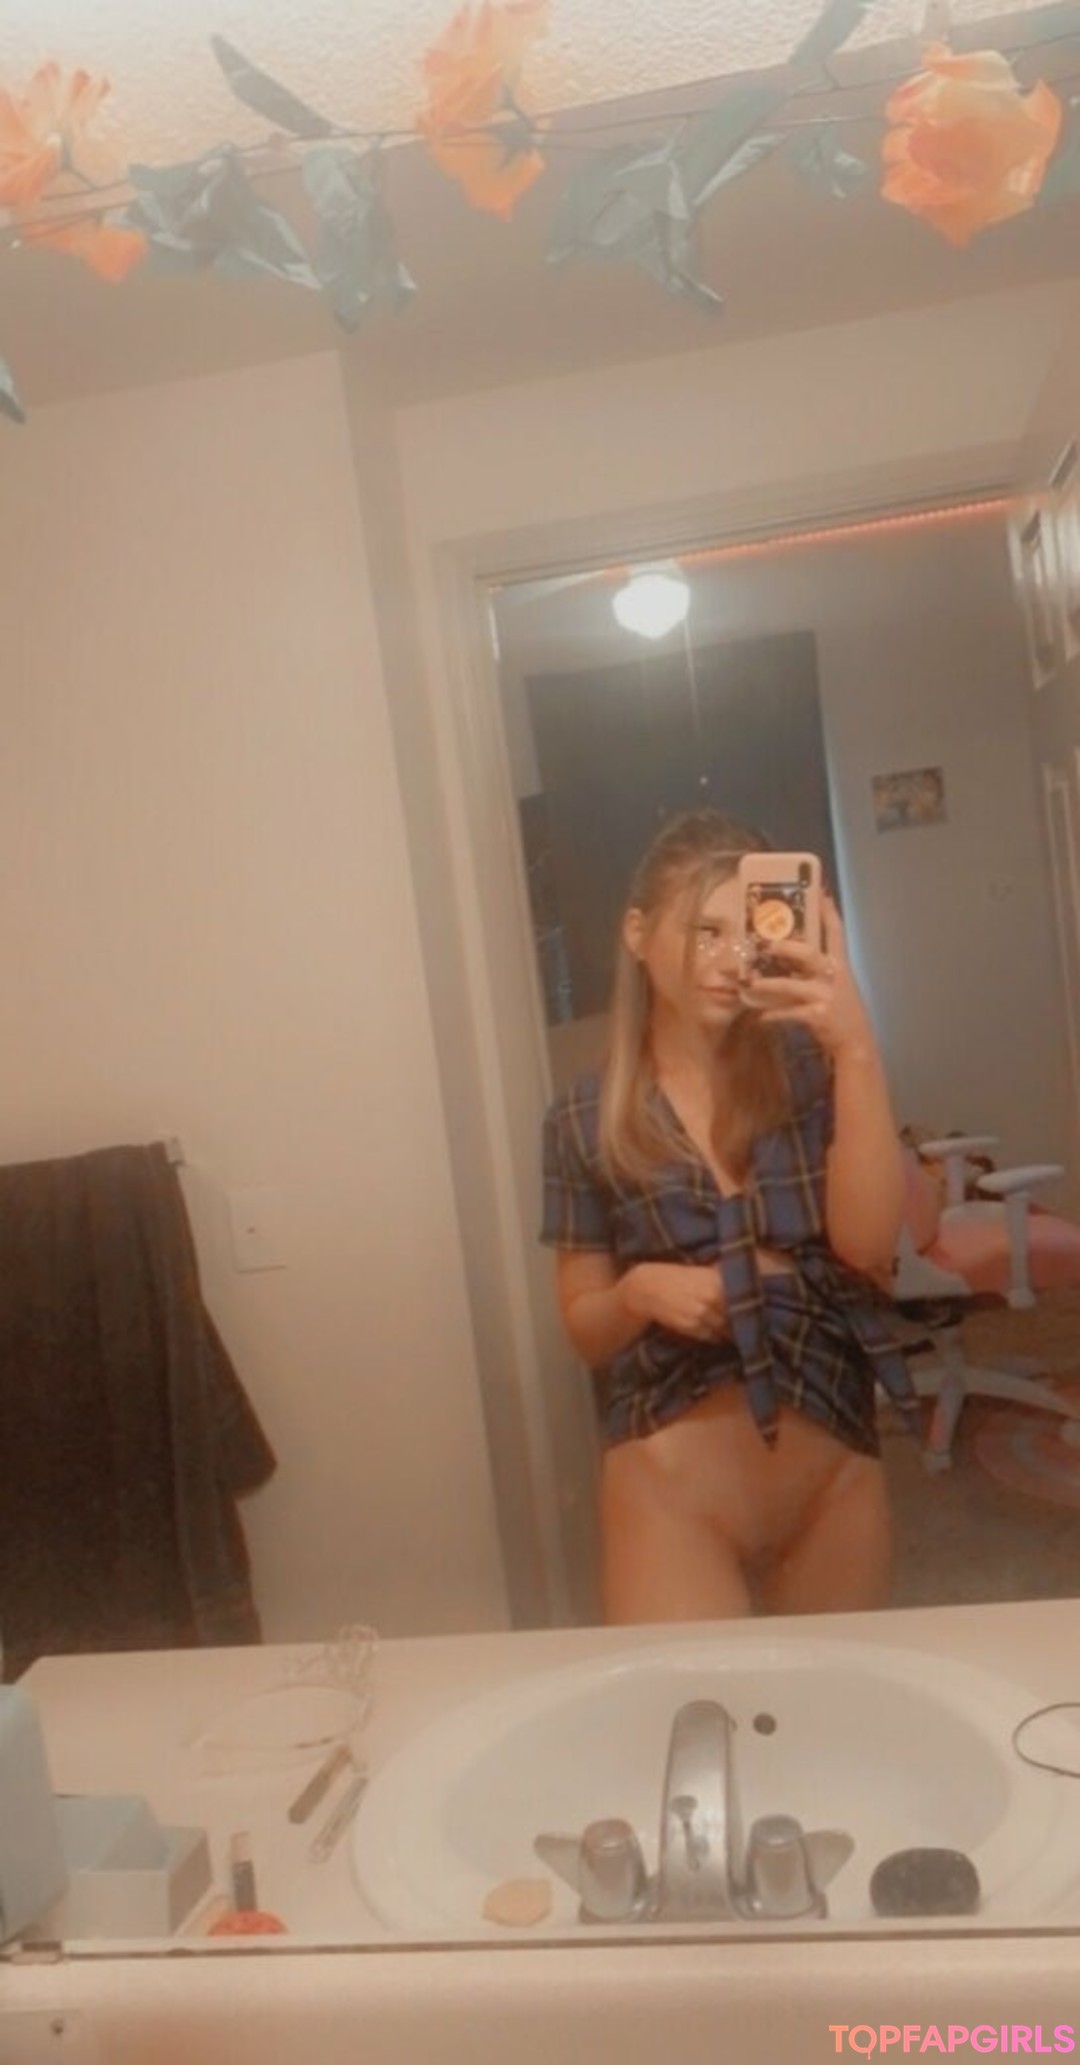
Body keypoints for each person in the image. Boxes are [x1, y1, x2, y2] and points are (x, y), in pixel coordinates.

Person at [540, 810, 919, 1624]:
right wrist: (638, 1292)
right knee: (689, 1696)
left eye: (747, 931)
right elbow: (585, 1329)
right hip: (669, 1492)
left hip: (833, 1470)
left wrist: (856, 1048)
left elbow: (868, 1246)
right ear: (638, 934)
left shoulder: (814, 1069)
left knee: (835, 1699)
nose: (729, 958)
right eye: (703, 931)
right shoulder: (583, 1118)